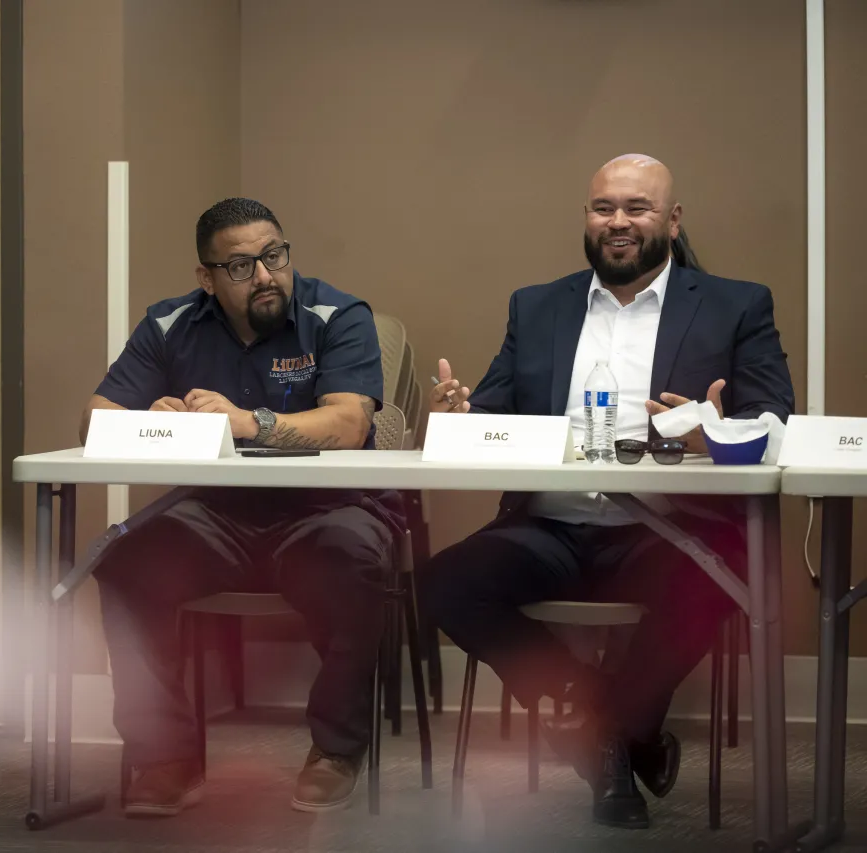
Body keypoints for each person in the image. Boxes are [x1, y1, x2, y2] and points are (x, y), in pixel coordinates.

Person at [416, 156, 794, 829]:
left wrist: (714, 430)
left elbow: (775, 421)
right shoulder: (536, 306)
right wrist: (460, 418)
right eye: (602, 208)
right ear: (586, 217)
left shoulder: (737, 304)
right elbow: (495, 418)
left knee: (715, 577)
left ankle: (606, 735)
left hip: (664, 528)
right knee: (445, 581)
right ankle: (605, 720)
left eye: (636, 208)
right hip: (548, 525)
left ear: (672, 221)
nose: (617, 222)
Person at [80, 198, 399, 817]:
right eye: (241, 265)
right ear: (206, 278)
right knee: (124, 563)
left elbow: (348, 423)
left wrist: (247, 422)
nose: (265, 276)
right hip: (211, 516)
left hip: (327, 509)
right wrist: (149, 419)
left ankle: (336, 749)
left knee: (352, 559)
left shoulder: (337, 315)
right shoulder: (170, 324)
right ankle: (165, 755)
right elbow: (95, 418)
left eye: (274, 256)